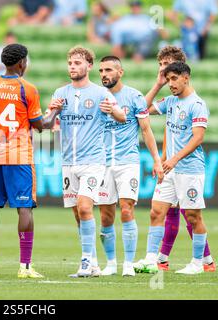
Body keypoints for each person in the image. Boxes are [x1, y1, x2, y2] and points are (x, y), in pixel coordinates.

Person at [42, 46, 126, 277]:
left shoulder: (101, 94)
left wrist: (112, 111)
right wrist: (52, 113)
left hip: (93, 161)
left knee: (85, 206)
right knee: (78, 214)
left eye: (78, 63)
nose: (73, 67)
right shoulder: (60, 93)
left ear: (89, 66)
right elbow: (45, 125)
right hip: (68, 162)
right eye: (70, 63)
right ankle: (94, 263)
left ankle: (86, 262)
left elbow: (122, 117)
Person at [134, 61, 210, 275]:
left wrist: (173, 159)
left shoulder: (197, 104)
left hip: (190, 169)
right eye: (168, 80)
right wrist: (157, 84)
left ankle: (197, 263)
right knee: (156, 211)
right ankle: (151, 259)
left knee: (194, 216)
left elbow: (198, 138)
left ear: (186, 77)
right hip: (170, 169)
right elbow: (142, 110)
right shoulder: (171, 101)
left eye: (174, 79)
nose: (171, 84)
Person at [0, 44, 44, 279]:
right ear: (21, 63)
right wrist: (54, 114)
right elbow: (38, 124)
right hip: (19, 156)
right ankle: (25, 267)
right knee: (24, 209)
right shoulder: (28, 88)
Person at [96, 56, 164, 277]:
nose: (104, 74)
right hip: (102, 163)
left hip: (128, 162)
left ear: (120, 72)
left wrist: (156, 159)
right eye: (101, 70)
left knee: (126, 209)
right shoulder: (96, 96)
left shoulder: (134, 96)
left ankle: (128, 263)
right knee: (106, 215)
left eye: (108, 69)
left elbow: (146, 130)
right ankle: (111, 263)